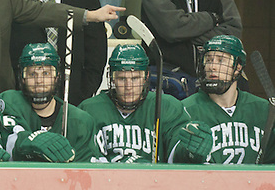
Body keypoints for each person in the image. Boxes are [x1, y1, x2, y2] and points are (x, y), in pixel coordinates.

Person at [79, 44, 213, 163]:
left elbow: (178, 154)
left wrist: (191, 151)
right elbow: (85, 160)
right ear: (112, 78)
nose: (128, 86)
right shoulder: (90, 109)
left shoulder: (166, 106)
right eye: (121, 78)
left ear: (146, 77)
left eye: (135, 78)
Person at [0, 43, 105, 162]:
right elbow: (6, 144)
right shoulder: (9, 102)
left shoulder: (80, 121)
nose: (39, 81)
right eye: (32, 74)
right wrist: (29, 142)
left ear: (57, 77)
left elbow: (85, 171)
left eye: (46, 74)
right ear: (22, 77)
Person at [182, 35, 275, 164]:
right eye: (208, 60)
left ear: (237, 67)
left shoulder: (264, 110)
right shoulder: (185, 110)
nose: (212, 67)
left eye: (220, 60)